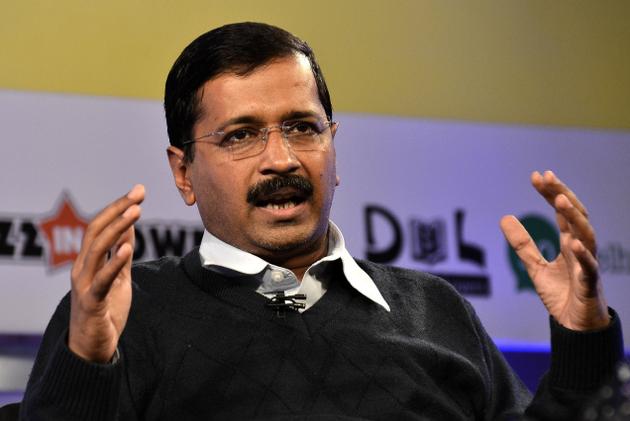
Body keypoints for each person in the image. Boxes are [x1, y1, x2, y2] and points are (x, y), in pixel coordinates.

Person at [19, 22, 623, 421]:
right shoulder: (123, 316)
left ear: (334, 150)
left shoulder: (436, 310)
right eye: (241, 135)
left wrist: (584, 338)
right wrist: (87, 364)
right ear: (184, 173)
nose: (281, 159)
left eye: (302, 127)